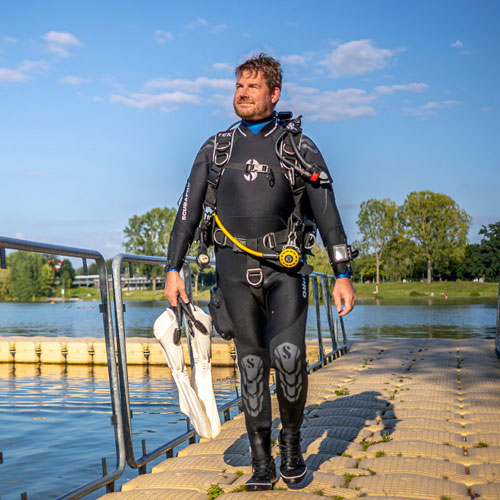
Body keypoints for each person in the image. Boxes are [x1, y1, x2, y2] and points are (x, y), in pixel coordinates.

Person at [164, 54, 356, 491]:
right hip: (232, 269)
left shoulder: (298, 147)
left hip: (284, 269)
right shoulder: (215, 149)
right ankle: (260, 462)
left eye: (252, 87)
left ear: (275, 94)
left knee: (288, 359)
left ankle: (291, 450)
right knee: (251, 363)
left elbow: (327, 214)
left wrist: (342, 271)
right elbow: (187, 212)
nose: (243, 94)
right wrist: (173, 267)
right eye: (238, 87)